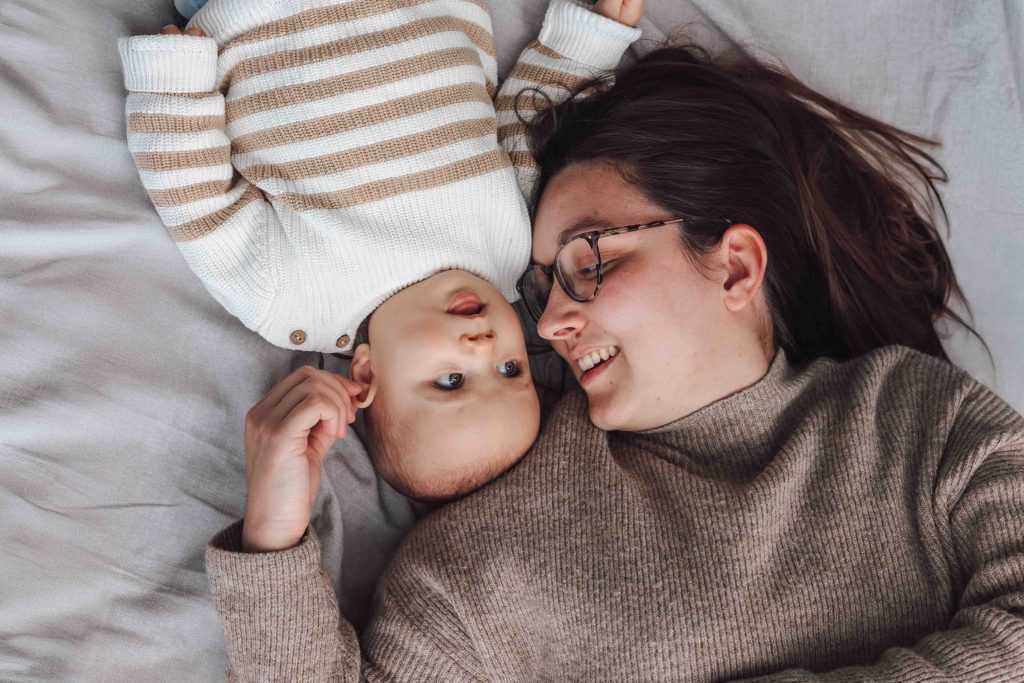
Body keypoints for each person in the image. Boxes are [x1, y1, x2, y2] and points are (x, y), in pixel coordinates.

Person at [206, 13, 1024, 683]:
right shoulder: (476, 566)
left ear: (734, 264)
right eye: (539, 287)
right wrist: (274, 537)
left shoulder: (919, 420)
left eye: (588, 261)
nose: (550, 322)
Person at [117, 0, 642, 509]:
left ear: (366, 376)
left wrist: (174, 94)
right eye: (510, 369)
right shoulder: (516, 246)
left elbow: (201, 208)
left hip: (265, 19)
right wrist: (586, 45)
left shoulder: (295, 302)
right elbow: (531, 122)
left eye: (451, 380)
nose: (484, 346)